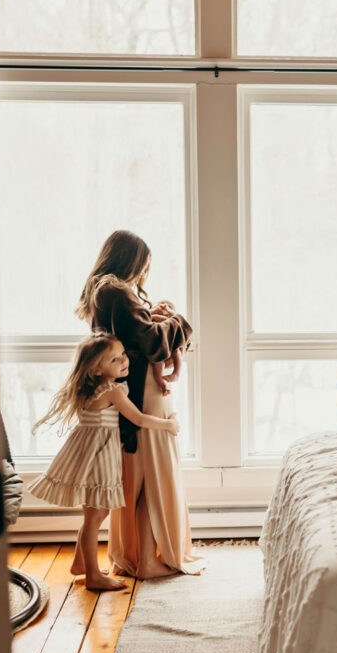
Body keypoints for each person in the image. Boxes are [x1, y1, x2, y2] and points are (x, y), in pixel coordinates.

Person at [76, 229, 206, 578]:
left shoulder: (100, 291)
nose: (143, 274)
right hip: (142, 388)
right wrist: (180, 322)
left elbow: (134, 334)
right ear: (131, 260)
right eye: (142, 266)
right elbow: (150, 343)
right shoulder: (116, 290)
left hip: (130, 384)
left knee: (140, 473)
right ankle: (147, 559)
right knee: (152, 472)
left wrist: (150, 313)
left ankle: (137, 553)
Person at [29, 333, 179, 591]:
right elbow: (139, 419)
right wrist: (169, 424)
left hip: (86, 453)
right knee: (95, 518)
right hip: (99, 456)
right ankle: (93, 577)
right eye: (114, 359)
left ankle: (80, 563)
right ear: (96, 369)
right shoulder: (112, 391)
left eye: (123, 354)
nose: (123, 361)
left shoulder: (88, 388)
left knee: (92, 516)